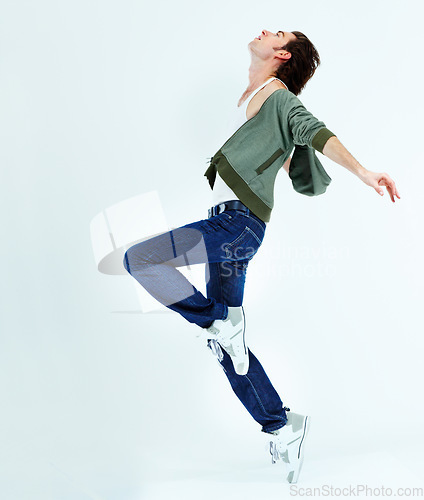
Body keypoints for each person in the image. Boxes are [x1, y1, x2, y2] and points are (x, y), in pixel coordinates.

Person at [122, 29, 400, 483]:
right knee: (233, 354)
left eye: (277, 33)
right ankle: (281, 425)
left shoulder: (279, 97)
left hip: (235, 226)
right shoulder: (259, 99)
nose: (265, 31)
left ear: (281, 54)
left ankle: (215, 319)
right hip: (236, 227)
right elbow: (288, 153)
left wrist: (364, 172)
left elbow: (316, 132)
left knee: (142, 259)